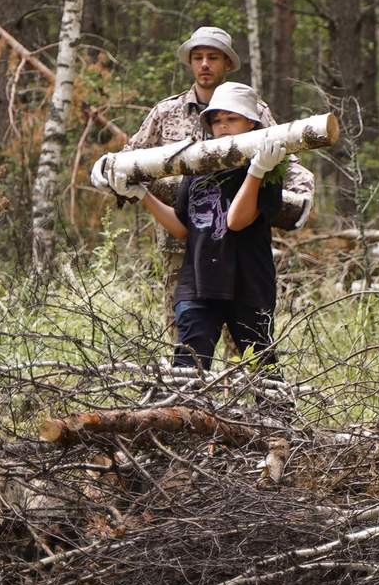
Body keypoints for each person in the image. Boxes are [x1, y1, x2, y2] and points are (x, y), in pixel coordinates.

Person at [121, 28, 316, 307]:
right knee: (185, 330)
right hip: (181, 242)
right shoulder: (166, 112)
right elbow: (133, 157)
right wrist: (112, 174)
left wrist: (299, 198)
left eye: (213, 57)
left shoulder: (254, 110)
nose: (204, 64)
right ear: (189, 63)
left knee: (241, 336)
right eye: (197, 57)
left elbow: (285, 160)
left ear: (227, 63)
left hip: (237, 243)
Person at [137, 83, 297, 368]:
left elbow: (235, 221)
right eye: (217, 120)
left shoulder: (270, 168)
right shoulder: (198, 166)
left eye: (232, 119)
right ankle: (187, 414)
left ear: (251, 123)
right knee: (187, 369)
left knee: (262, 370)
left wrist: (257, 169)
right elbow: (182, 227)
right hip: (197, 284)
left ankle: (273, 415)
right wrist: (141, 194)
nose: (223, 127)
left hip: (248, 284)